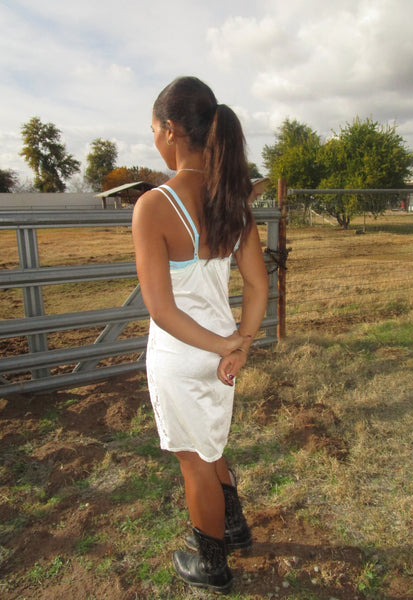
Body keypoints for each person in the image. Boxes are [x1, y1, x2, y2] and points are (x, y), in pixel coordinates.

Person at [132, 76, 269, 593]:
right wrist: (241, 344)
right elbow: (258, 285)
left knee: (195, 462)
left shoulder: (154, 206)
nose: (154, 140)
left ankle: (211, 564)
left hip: (185, 354)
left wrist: (225, 347)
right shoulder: (233, 202)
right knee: (210, 448)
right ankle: (233, 527)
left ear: (171, 129)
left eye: (153, 130)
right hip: (220, 356)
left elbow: (161, 310)